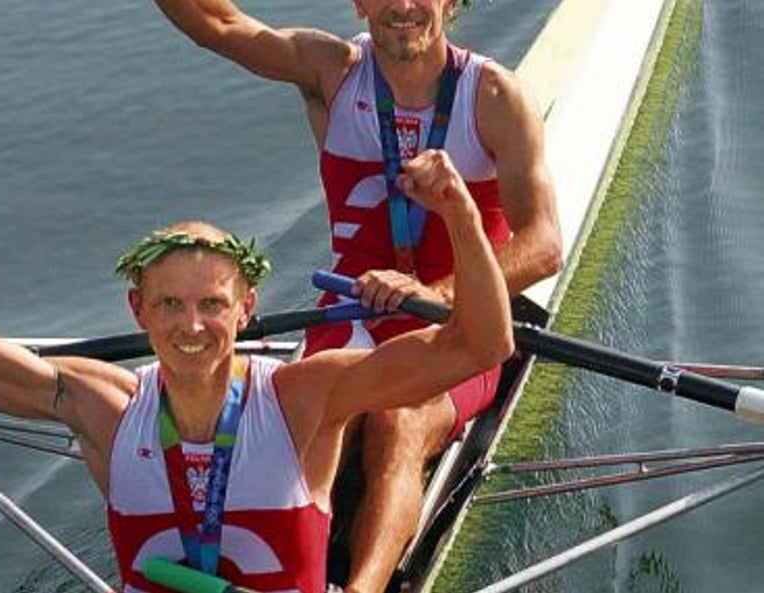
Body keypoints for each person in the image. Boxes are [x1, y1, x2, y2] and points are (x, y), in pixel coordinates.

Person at [0, 133, 513, 593]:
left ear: (246, 310)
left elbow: (481, 346)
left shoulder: (303, 398)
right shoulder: (104, 409)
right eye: (171, 305)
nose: (191, 327)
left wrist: (459, 213)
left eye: (212, 304)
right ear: (139, 311)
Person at [149, 1, 562, 591]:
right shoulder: (330, 70)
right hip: (352, 309)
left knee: (398, 421)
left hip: (461, 323)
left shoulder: (494, 97)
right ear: (360, 4)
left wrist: (436, 292)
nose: (402, 6)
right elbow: (220, 26)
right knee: (283, 423)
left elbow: (544, 244)